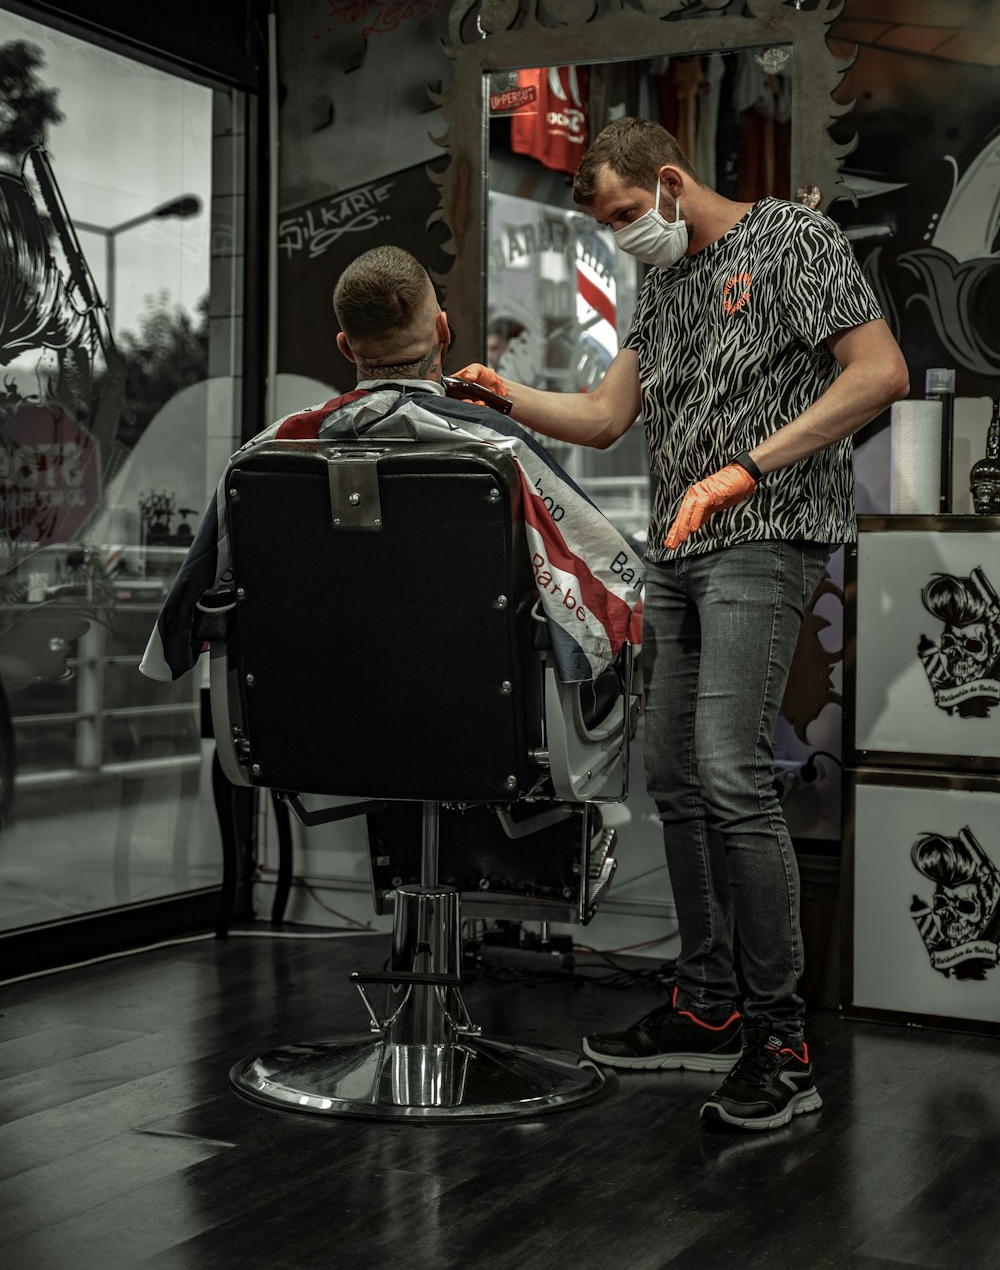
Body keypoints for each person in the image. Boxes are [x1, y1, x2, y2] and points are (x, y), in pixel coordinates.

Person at [454, 116, 910, 1132]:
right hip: (676, 550)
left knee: (730, 771)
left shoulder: (792, 240)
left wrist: (744, 468)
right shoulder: (659, 283)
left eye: (627, 213)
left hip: (765, 533)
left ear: (667, 180)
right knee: (672, 773)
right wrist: (504, 393)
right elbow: (608, 416)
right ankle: (706, 1010)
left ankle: (781, 1046)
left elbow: (879, 373)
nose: (622, 235)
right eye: (607, 223)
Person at [140, 245, 642, 693]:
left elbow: (183, 620)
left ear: (345, 346)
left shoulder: (265, 457)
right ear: (443, 330)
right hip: (478, 725)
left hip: (317, 730)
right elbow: (610, 587)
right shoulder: (495, 451)